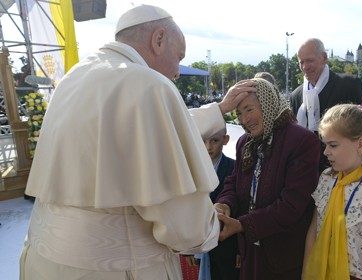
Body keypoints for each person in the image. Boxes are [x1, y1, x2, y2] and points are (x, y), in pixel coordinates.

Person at [20, 5, 254, 279]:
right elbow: (185, 228)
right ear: (158, 39)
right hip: (113, 268)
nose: (177, 71)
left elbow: (141, 130)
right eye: (178, 57)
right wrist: (212, 229)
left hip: (43, 258)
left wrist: (219, 109)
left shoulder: (75, 76)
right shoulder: (149, 84)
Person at [214, 78, 321, 279]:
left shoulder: (301, 141)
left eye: (249, 109)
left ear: (266, 102)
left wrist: (242, 225)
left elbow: (292, 205)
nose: (244, 120)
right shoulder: (245, 142)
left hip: (284, 256)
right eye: (239, 114)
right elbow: (234, 182)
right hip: (251, 253)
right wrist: (224, 204)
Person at [302, 104, 362, 280]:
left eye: (333, 145)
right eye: (325, 145)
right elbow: (313, 231)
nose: (326, 152)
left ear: (361, 144)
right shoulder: (326, 179)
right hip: (320, 272)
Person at [289, 38, 362, 170]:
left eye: (310, 60)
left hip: (346, 170)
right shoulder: (296, 95)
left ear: (324, 58)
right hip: (307, 171)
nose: (305, 67)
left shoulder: (349, 85)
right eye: (301, 62)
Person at [193, 127, 240, 280]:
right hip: (199, 242)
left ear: (225, 140)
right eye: (203, 141)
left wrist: (240, 249)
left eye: (214, 140)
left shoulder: (235, 167)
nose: (208, 147)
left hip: (226, 245)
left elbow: (241, 207)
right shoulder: (191, 170)